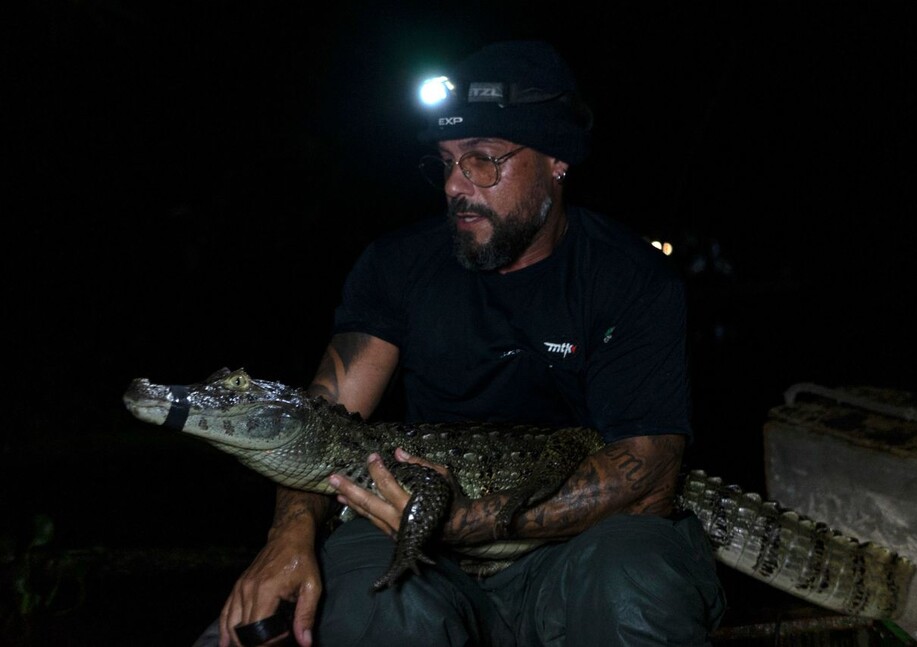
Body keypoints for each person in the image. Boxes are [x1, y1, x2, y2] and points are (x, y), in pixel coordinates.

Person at [194, 39, 726, 647]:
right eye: (446, 161)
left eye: (482, 159)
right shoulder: (398, 264)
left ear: (556, 159)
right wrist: (287, 539)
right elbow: (319, 422)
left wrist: (471, 523)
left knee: (634, 585)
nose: (454, 186)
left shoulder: (631, 277)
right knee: (377, 609)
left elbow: (649, 474)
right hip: (411, 520)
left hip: (582, 536)